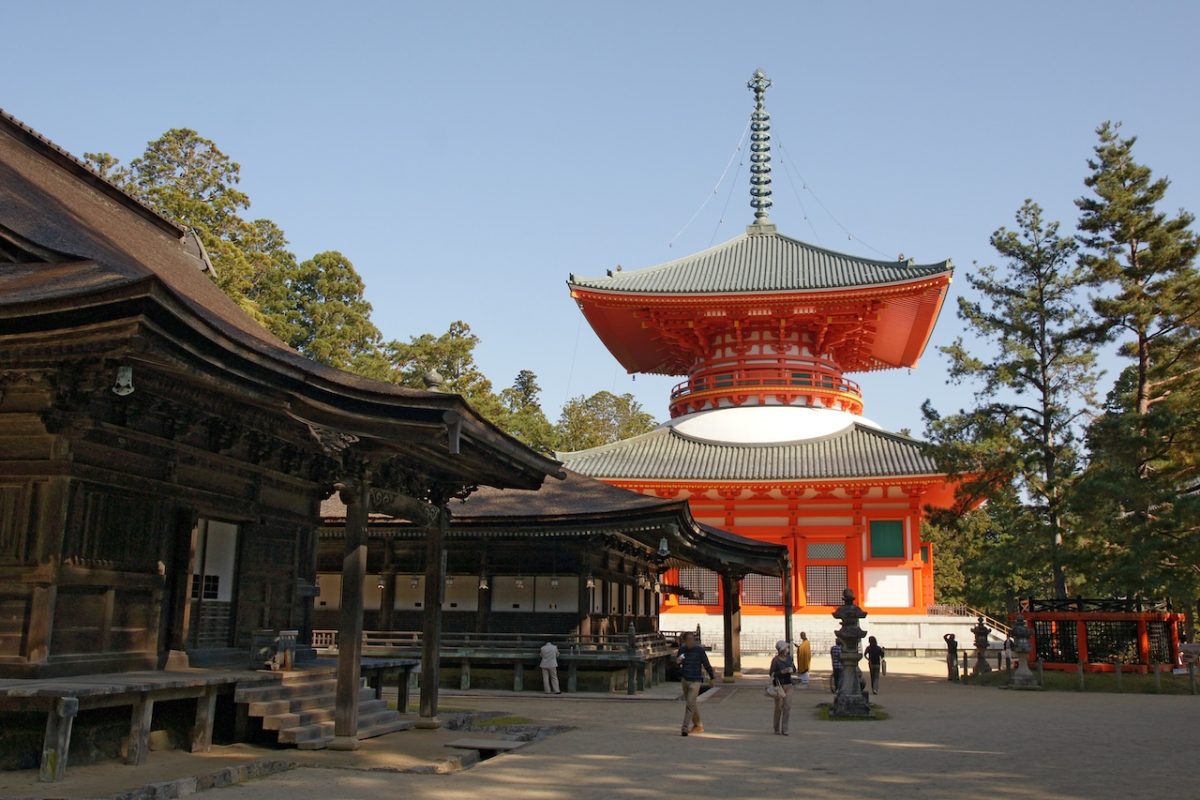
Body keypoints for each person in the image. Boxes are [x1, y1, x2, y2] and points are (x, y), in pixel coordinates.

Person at [676, 631, 715, 736]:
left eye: (692, 639)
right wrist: (678, 662)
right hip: (685, 679)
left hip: (695, 680)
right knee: (691, 703)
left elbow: (706, 664)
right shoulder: (682, 650)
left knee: (689, 704)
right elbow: (678, 662)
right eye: (688, 640)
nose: (690, 642)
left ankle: (684, 727)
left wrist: (712, 677)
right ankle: (698, 725)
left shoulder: (699, 651)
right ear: (684, 641)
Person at [769, 640, 794, 735]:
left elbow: (794, 668)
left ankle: (785, 728)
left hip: (789, 684)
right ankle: (776, 728)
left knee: (787, 707)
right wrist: (781, 672)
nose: (787, 649)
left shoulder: (789, 658)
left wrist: (791, 669)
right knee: (779, 707)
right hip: (779, 685)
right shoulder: (775, 660)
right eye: (786, 648)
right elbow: (771, 673)